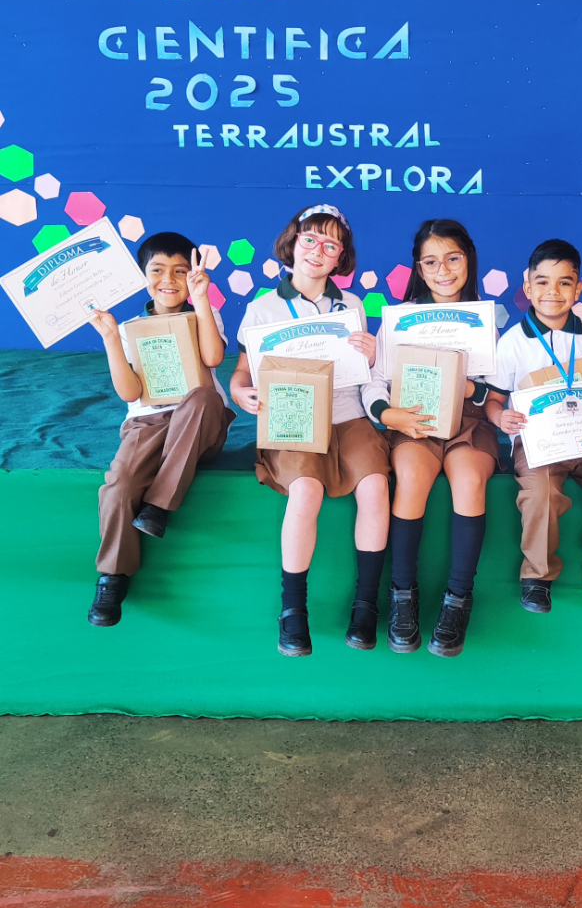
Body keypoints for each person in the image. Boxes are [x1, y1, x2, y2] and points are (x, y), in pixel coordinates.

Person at [229, 204, 390, 657]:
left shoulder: (352, 306)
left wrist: (372, 354)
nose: (318, 251)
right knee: (306, 489)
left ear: (341, 257)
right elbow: (241, 374)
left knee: (376, 486)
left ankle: (366, 603)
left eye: (331, 245)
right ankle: (292, 608)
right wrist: (241, 393)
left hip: (348, 415)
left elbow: (366, 373)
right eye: (310, 239)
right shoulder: (263, 308)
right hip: (292, 416)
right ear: (293, 243)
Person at [484, 238, 582, 612]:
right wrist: (499, 417)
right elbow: (493, 400)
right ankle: (537, 576)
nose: (552, 292)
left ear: (578, 289)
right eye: (542, 282)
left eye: (564, 282)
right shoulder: (512, 343)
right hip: (539, 444)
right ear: (528, 288)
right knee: (540, 491)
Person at [362, 219, 498, 657]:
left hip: (469, 421)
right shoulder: (398, 321)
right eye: (431, 261)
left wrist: (469, 387)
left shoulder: (485, 320)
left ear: (468, 260)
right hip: (414, 418)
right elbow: (375, 381)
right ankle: (403, 596)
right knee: (411, 479)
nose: (443, 270)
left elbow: (500, 391)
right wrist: (388, 414)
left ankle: (458, 600)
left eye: (453, 258)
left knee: (469, 481)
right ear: (419, 269)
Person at [87, 232, 233, 627]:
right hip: (147, 422)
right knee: (119, 485)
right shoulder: (129, 327)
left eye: (180, 271)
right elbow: (129, 392)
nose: (169, 279)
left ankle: (158, 506)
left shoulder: (203, 313)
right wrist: (110, 338)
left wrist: (201, 299)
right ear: (143, 275)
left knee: (202, 397)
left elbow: (213, 357)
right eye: (157, 270)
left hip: (200, 424)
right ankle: (113, 577)